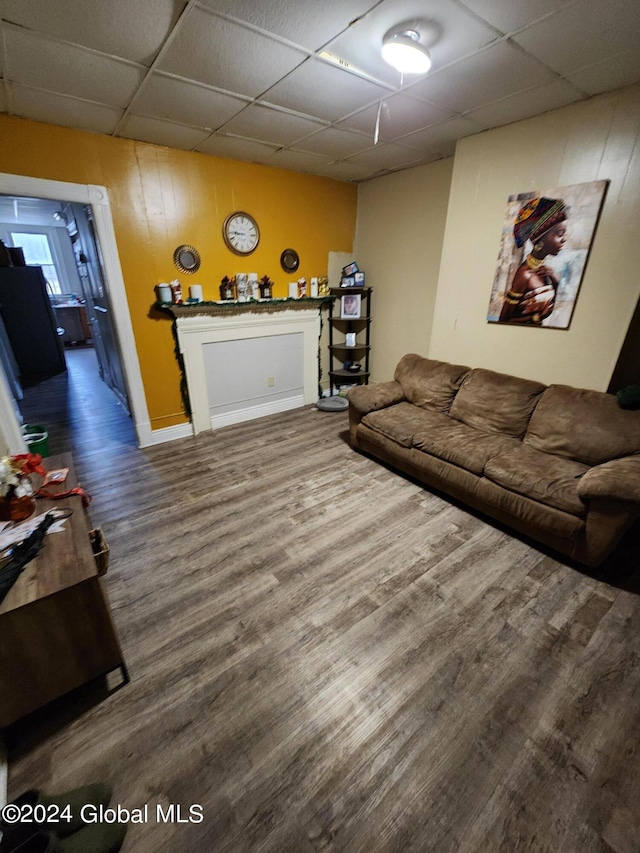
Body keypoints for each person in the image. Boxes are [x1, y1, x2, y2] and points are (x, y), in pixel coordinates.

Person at [499, 197, 567, 325]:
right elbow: (504, 320)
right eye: (559, 234)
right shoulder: (525, 274)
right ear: (541, 239)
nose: (564, 240)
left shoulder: (544, 272)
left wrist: (556, 283)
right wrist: (537, 318)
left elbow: (548, 308)